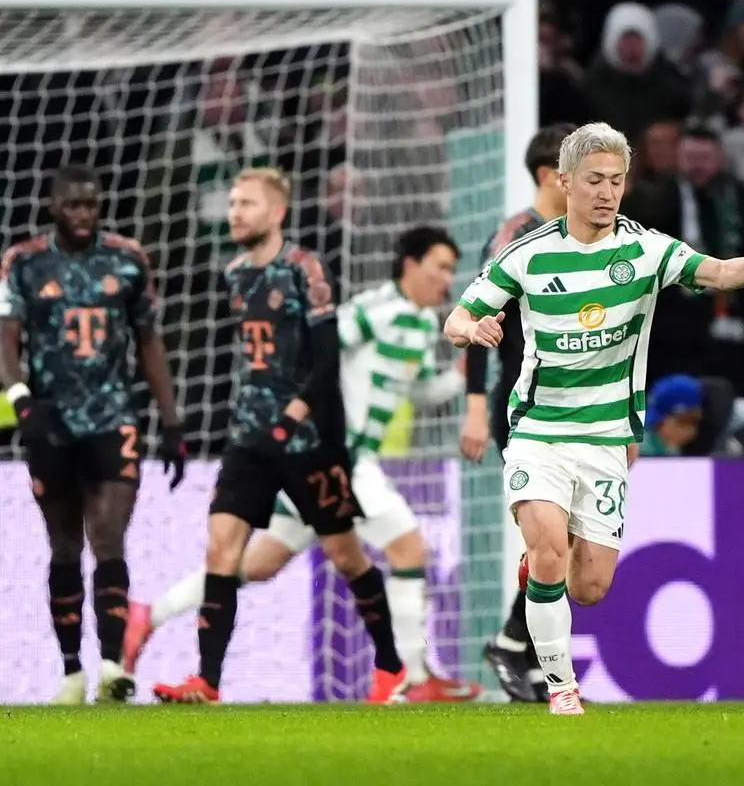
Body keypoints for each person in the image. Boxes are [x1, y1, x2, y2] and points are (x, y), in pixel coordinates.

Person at [444, 122, 744, 715]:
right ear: (565, 182)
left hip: (606, 440)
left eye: (616, 180)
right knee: (550, 550)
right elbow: (456, 318)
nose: (607, 192)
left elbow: (719, 273)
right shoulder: (526, 253)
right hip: (538, 432)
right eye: (594, 180)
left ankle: (541, 574)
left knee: (590, 586)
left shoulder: (645, 250)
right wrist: (472, 329)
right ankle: (561, 689)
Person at [129, 226, 480, 703]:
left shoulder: (419, 325)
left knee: (259, 563)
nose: (447, 279)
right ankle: (413, 677)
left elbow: (414, 392)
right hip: (340, 458)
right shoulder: (372, 311)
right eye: (439, 266)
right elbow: (318, 355)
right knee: (408, 549)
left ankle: (149, 613)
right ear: (410, 264)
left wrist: (457, 379)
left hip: (343, 462)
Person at [152, 168, 403, 704]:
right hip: (250, 438)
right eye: (233, 203)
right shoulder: (236, 272)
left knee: (344, 554)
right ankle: (208, 681)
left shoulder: (305, 269)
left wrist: (291, 416)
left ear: (276, 213)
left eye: (246, 203)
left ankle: (390, 665)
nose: (235, 212)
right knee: (222, 545)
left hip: (308, 439)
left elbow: (326, 359)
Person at [0, 166, 186, 705]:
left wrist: (171, 420)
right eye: (73, 205)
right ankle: (69, 673)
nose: (84, 214)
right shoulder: (24, 262)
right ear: (53, 207)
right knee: (63, 546)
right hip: (50, 422)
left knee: (108, 536)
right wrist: (20, 399)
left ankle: (110, 667)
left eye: (92, 204)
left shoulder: (128, 260)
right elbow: (6, 341)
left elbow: (149, 340)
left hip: (112, 419)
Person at [462, 123, 575, 704]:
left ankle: (527, 654)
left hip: (580, 410)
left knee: (571, 536)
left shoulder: (582, 236)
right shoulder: (515, 236)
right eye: (573, 169)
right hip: (524, 403)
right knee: (550, 532)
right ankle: (512, 641)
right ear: (548, 175)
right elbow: (477, 321)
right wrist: (476, 407)